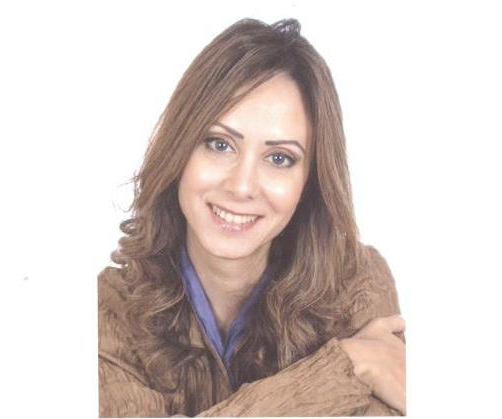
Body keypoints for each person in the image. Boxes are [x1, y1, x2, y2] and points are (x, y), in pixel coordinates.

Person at [98, 18, 406, 417]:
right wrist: (347, 365)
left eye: (279, 158)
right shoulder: (108, 307)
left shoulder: (357, 283)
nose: (242, 186)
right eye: (219, 144)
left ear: (309, 181)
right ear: (179, 150)